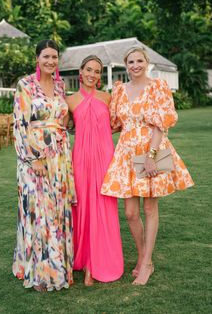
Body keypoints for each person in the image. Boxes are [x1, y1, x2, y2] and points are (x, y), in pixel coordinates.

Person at [101, 47, 194, 286]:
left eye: (139, 60)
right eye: (130, 61)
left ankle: (147, 263)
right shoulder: (120, 90)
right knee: (131, 213)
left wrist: (151, 156)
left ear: (147, 62)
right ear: (126, 64)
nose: (135, 65)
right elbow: (114, 124)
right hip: (126, 151)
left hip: (151, 148)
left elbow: (161, 124)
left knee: (150, 208)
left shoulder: (158, 87)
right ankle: (143, 255)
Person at [12, 39, 76, 292]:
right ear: (37, 58)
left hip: (59, 158)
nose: (51, 61)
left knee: (57, 210)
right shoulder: (25, 85)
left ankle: (58, 267)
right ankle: (40, 274)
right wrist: (33, 157)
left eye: (54, 57)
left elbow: (64, 119)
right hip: (34, 158)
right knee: (38, 211)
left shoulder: (60, 86)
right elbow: (19, 124)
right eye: (46, 56)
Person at [66, 55, 124, 286]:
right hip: (80, 159)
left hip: (104, 159)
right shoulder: (69, 101)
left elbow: (117, 125)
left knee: (103, 206)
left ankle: (96, 263)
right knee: (83, 208)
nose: (92, 74)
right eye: (88, 69)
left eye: (97, 71)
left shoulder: (108, 98)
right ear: (81, 71)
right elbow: (62, 127)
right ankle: (84, 260)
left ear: (100, 75)